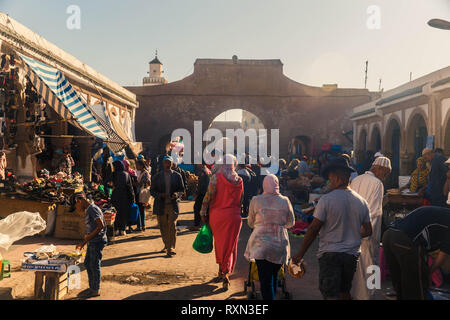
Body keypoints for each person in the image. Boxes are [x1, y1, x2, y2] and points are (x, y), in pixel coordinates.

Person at [292, 157, 372, 300]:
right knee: (344, 291)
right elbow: (368, 230)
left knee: (330, 294)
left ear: (337, 177)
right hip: (351, 255)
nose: (329, 181)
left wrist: (300, 254)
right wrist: (352, 234)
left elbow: (313, 229)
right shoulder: (362, 202)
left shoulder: (326, 200)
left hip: (330, 254)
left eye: (330, 178)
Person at [244, 174, 295, 300]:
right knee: (274, 275)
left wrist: (261, 225)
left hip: (261, 245)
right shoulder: (285, 200)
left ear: (264, 185)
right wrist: (278, 225)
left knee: (265, 280)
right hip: (279, 244)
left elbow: (250, 222)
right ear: (277, 184)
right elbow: (291, 223)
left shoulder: (256, 200)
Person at [382, 206, 450, 300]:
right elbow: (443, 255)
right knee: (416, 289)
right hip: (405, 240)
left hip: (388, 235)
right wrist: (428, 273)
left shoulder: (442, 214)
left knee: (401, 288)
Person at [350, 156, 392, 300]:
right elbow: (374, 212)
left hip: (352, 232)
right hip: (368, 234)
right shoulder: (377, 183)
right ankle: (369, 296)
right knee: (371, 266)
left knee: (355, 270)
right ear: (379, 169)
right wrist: (365, 233)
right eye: (385, 173)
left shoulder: (356, 180)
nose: (385, 177)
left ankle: (356, 295)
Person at [200, 154, 243, 290]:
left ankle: (223, 272)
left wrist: (202, 212)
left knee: (220, 244)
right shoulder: (239, 180)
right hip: (234, 217)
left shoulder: (216, 178)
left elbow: (208, 196)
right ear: (234, 164)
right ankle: (224, 271)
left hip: (218, 216)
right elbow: (242, 201)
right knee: (231, 246)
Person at [72, 192, 107, 299]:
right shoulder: (89, 209)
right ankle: (93, 287)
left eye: (76, 206)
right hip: (93, 241)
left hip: (97, 241)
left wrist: (88, 237)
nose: (77, 209)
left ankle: (95, 290)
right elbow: (91, 230)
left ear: (79, 201)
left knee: (94, 265)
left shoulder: (92, 209)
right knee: (88, 263)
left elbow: (100, 225)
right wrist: (83, 243)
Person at [150, 156, 185, 257]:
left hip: (172, 205)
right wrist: (160, 195)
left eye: (169, 162)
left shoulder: (177, 176)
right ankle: (166, 244)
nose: (167, 164)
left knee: (172, 226)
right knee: (163, 226)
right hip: (161, 205)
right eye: (165, 162)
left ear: (172, 164)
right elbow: (152, 191)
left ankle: (171, 247)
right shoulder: (157, 176)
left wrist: (176, 195)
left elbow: (182, 190)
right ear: (163, 164)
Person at [111, 160, 135, 236]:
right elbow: (130, 188)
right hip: (125, 197)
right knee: (124, 213)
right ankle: (123, 229)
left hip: (115, 196)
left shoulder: (113, 174)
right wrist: (132, 197)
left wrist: (111, 187)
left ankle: (116, 229)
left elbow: (106, 183)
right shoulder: (127, 174)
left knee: (116, 213)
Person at [191, 162, 211, 231]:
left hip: (202, 193)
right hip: (207, 193)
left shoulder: (202, 171)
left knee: (197, 208)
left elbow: (201, 185)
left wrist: (196, 193)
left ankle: (197, 225)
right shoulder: (208, 170)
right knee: (206, 209)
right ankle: (206, 224)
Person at [135, 160, 151, 232]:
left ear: (141, 165)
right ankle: (142, 225)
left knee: (140, 209)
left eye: (137, 165)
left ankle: (140, 226)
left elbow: (145, 183)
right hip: (141, 193)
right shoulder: (142, 172)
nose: (136, 166)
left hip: (142, 193)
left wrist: (135, 184)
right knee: (141, 210)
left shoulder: (145, 173)